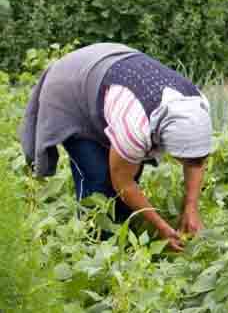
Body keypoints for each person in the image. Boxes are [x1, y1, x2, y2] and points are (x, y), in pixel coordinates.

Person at [20, 43, 213, 251]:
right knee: (97, 178)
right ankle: (93, 247)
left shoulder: (197, 105)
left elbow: (196, 161)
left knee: (128, 172)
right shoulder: (136, 126)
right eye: (184, 158)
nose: (191, 162)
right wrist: (161, 227)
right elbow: (124, 182)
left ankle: (121, 235)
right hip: (70, 88)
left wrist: (191, 208)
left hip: (110, 69)